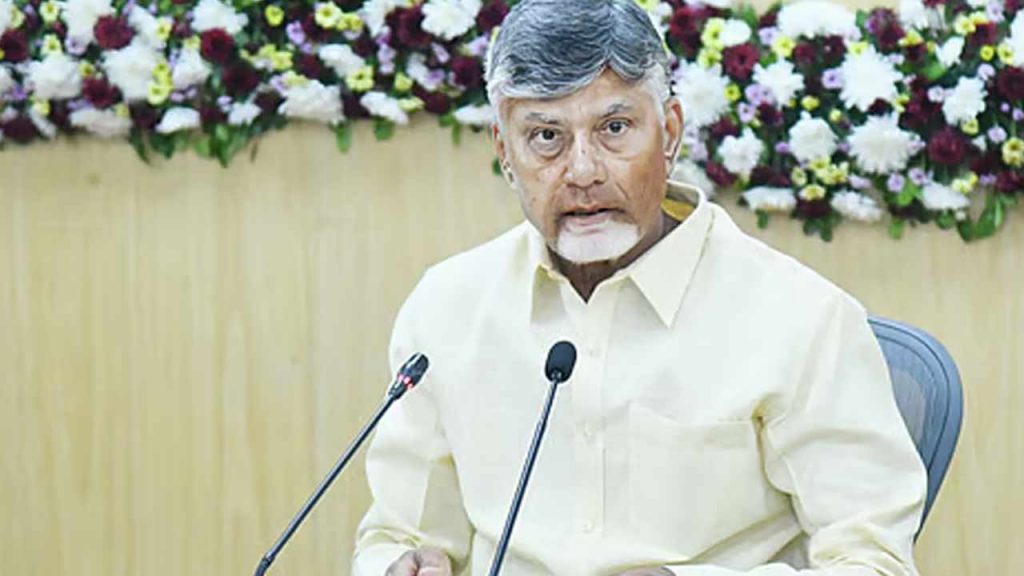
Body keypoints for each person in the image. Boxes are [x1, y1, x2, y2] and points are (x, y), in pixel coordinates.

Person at [353, 1, 927, 574]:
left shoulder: (801, 317)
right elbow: (400, 531)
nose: (583, 171)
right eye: (547, 136)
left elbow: (871, 560)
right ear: (505, 151)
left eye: (614, 129)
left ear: (670, 131)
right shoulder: (446, 307)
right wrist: (398, 563)